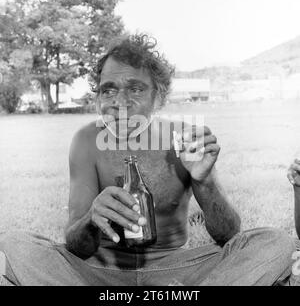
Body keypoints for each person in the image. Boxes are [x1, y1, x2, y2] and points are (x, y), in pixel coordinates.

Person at [0, 34, 295, 286]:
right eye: (109, 89)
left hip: (177, 270)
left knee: (274, 243)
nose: (119, 102)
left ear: (158, 96)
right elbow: (77, 247)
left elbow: (228, 234)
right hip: (100, 272)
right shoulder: (85, 141)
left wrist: (203, 181)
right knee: (17, 245)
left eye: (136, 89)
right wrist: (91, 218)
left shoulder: (183, 138)